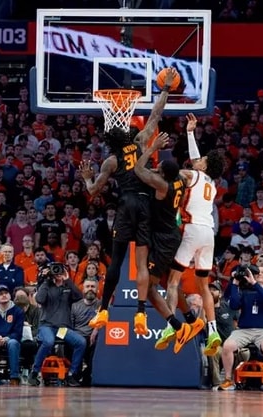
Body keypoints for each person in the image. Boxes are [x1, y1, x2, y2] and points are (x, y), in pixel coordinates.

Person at [80, 68, 178, 336]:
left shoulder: (111, 161)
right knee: (142, 263)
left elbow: (93, 192)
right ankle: (140, 313)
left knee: (116, 261)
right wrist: (166, 88)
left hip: (125, 206)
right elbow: (156, 114)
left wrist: (87, 179)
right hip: (145, 204)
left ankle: (103, 310)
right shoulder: (141, 142)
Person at [133, 133, 203, 353]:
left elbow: (138, 169)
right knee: (166, 283)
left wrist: (152, 147)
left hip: (163, 240)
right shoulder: (180, 179)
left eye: (159, 169)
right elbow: (162, 171)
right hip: (172, 234)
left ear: (163, 174)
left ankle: (177, 326)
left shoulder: (163, 186)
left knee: (149, 288)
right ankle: (191, 320)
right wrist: (160, 168)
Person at [164, 113, 226, 355]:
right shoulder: (212, 183)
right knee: (204, 286)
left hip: (192, 230)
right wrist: (190, 132)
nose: (198, 160)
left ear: (205, 165)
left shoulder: (191, 174)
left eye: (202, 160)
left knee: (173, 281)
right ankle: (213, 331)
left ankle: (170, 327)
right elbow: (195, 159)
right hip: (209, 234)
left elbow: (172, 171)